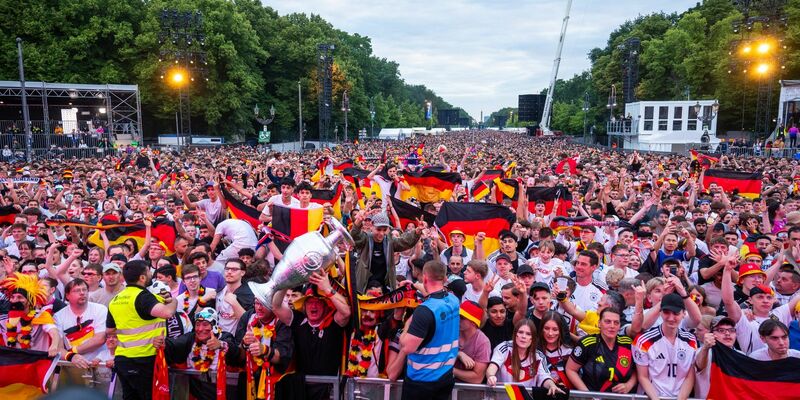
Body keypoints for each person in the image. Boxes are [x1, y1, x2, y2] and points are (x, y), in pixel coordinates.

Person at [272, 268, 351, 400]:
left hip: (329, 390)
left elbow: (346, 312)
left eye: (318, 302)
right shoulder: (298, 320)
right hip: (301, 388)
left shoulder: (334, 322)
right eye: (309, 302)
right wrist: (286, 283)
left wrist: (328, 289)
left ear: (326, 306)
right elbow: (276, 306)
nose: (313, 306)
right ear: (304, 306)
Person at [107, 260, 177, 400]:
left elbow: (110, 330)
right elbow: (167, 313)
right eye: (149, 272)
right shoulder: (144, 297)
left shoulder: (115, 299)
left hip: (122, 359)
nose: (152, 274)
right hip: (144, 359)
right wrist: (173, 301)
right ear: (142, 278)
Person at [392, 260, 459, 400]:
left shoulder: (424, 311)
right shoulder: (453, 300)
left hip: (422, 382)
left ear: (425, 277)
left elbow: (407, 346)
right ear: (445, 278)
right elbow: (435, 295)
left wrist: (407, 325)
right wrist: (414, 286)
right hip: (445, 375)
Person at [156, 307, 237, 400]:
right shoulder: (190, 338)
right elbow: (175, 345)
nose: (200, 329)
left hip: (224, 392)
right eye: (197, 324)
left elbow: (236, 353)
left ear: (214, 325)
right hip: (198, 392)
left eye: (205, 324)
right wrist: (164, 344)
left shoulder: (225, 337)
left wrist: (221, 345)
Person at [633, 293, 697, 399]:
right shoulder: (643, 340)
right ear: (660, 313)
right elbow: (642, 376)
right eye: (666, 312)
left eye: (676, 313)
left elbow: (690, 376)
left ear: (684, 313)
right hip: (652, 397)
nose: (671, 318)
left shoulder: (691, 340)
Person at [235, 293, 297, 399]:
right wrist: (244, 344)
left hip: (277, 382)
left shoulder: (281, 320)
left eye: (263, 304)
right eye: (256, 303)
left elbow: (283, 357)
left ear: (272, 305)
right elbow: (238, 354)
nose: (258, 308)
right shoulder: (248, 317)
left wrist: (264, 350)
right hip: (250, 378)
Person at [486, 319, 566, 397]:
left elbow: (544, 377)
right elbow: (492, 366)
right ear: (515, 334)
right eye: (520, 332)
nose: (523, 336)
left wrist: (552, 385)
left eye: (528, 334)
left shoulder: (538, 356)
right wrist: (491, 376)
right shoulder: (504, 348)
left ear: (533, 338)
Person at [565, 307, 636, 393]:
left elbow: (638, 370)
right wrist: (587, 395)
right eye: (607, 321)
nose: (612, 326)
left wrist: (629, 385)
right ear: (599, 323)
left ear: (620, 326)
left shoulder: (628, 344)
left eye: (616, 322)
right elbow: (570, 369)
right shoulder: (587, 343)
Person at [350, 212, 421, 292]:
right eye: (378, 229)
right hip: (364, 286)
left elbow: (404, 242)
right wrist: (357, 223)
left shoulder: (389, 241)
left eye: (384, 230)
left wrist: (417, 232)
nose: (381, 233)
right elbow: (354, 237)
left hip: (385, 286)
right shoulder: (365, 239)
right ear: (371, 226)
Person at [0, 273, 61, 356]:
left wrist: (54, 345)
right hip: (13, 364)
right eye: (13, 297)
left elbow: (54, 331)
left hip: (35, 364)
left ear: (30, 301)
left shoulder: (41, 315)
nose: (15, 300)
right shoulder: (4, 319)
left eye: (20, 297)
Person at [55, 278, 110, 368]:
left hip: (100, 364)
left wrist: (73, 351)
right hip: (73, 366)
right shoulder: (58, 316)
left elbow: (100, 339)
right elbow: (58, 348)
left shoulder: (100, 309)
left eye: (84, 290)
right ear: (67, 295)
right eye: (77, 290)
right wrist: (71, 357)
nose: (82, 293)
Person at [693, 315, 738, 398]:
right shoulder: (702, 352)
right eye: (721, 330)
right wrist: (706, 347)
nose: (727, 334)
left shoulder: (742, 356)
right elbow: (699, 365)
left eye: (731, 330)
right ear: (711, 333)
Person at [453, 300, 491, 384]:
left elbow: (477, 378)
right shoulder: (451, 332)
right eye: (457, 316)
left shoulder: (482, 342)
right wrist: (459, 354)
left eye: (462, 318)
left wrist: (451, 371)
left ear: (474, 322)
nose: (458, 319)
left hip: (469, 392)